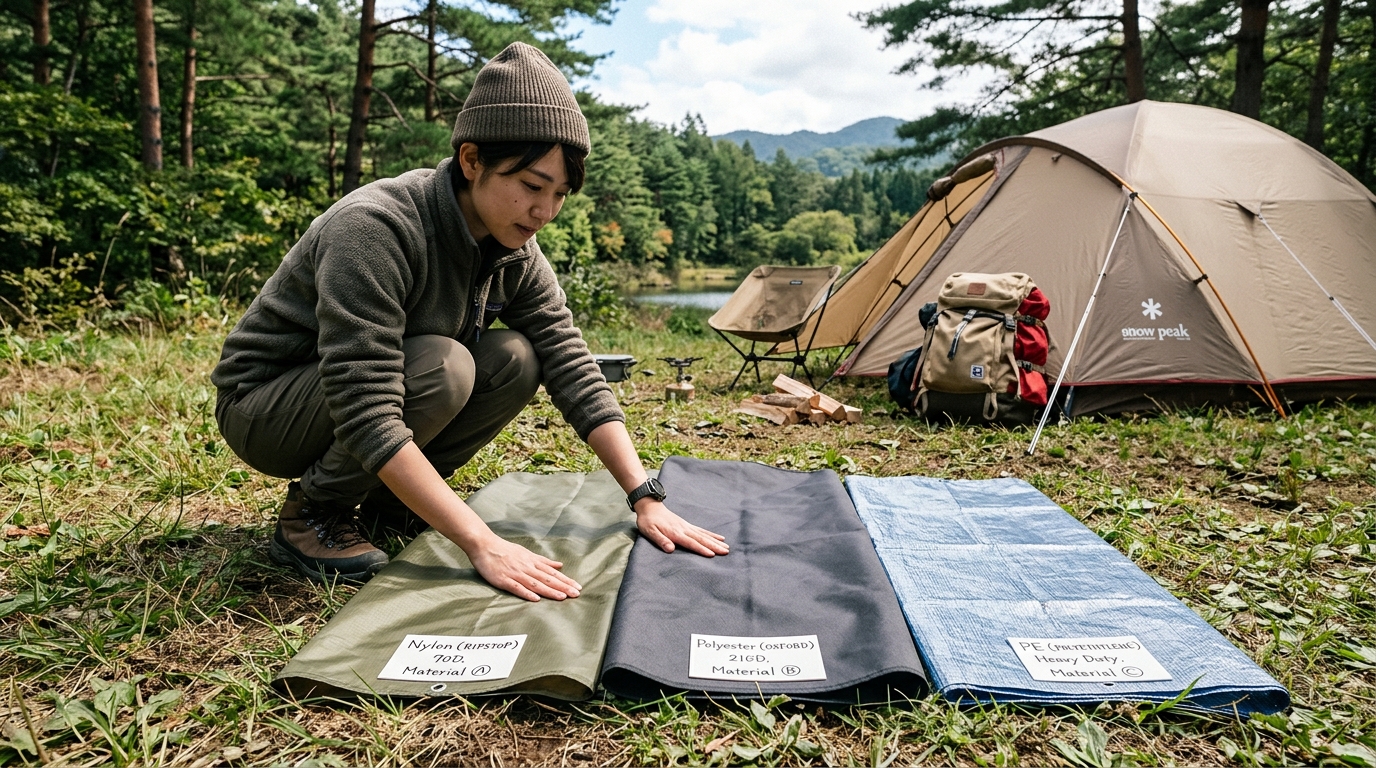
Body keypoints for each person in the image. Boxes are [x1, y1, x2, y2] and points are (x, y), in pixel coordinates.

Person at [211, 42, 728, 601]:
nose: (545, 212)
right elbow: (364, 403)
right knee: (446, 366)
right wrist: (481, 543)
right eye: (532, 186)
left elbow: (570, 361)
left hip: (361, 397)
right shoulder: (375, 227)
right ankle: (313, 514)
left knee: (517, 358)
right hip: (266, 408)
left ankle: (391, 504)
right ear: (472, 160)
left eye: (560, 194)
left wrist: (644, 495)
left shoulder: (515, 248)